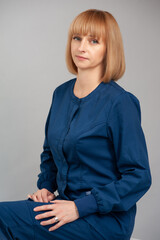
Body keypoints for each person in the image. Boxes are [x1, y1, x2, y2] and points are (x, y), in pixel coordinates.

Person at [0, 9, 152, 240]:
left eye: (93, 41)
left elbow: (139, 176)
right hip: (64, 205)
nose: (81, 47)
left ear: (109, 48)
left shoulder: (120, 103)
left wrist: (80, 207)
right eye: (77, 38)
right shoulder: (60, 95)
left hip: (105, 219)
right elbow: (50, 153)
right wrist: (46, 188)